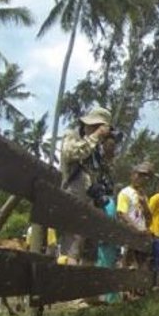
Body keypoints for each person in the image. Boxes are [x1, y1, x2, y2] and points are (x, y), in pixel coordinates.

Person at [57, 106, 116, 266]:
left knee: (90, 253)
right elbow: (73, 153)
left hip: (92, 205)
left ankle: (85, 288)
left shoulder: (97, 150)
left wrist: (108, 154)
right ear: (88, 124)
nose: (101, 132)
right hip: (74, 199)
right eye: (98, 127)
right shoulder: (72, 136)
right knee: (72, 249)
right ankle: (66, 286)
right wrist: (96, 136)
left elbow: (105, 177)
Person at [117, 162, 155, 271]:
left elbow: (149, 220)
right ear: (132, 175)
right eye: (139, 174)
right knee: (127, 266)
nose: (141, 178)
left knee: (141, 268)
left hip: (141, 237)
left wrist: (145, 205)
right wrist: (136, 229)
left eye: (144, 176)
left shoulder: (143, 195)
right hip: (129, 235)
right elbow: (121, 213)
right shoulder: (125, 192)